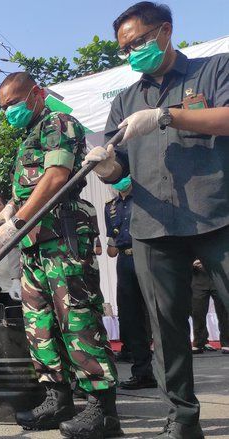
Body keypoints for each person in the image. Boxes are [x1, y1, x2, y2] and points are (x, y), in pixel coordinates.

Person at [85, 3, 229, 436]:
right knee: (165, 328)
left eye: (138, 42)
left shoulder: (214, 69)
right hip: (151, 227)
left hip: (217, 216)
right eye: (125, 49)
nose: (132, 54)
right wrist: (105, 167)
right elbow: (120, 172)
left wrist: (166, 116)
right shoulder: (127, 101)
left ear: (166, 31)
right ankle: (182, 419)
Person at [0, 72, 120, 438]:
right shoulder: (28, 137)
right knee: (41, 326)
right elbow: (32, 184)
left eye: (15, 103)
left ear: (36, 94)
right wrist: (13, 208)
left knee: (77, 320)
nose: (9, 111)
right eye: (4, 107)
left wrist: (17, 218)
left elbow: (56, 176)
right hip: (34, 244)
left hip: (62, 238)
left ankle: (102, 408)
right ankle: (57, 398)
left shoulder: (58, 123)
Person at [105, 176, 155, 390]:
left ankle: (169, 374)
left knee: (157, 314)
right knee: (131, 318)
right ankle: (142, 373)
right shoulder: (111, 207)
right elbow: (111, 246)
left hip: (148, 257)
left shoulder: (145, 199)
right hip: (124, 261)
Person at [191, 259, 229, 355]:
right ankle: (200, 342)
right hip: (197, 277)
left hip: (219, 275)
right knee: (197, 311)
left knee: (223, 311)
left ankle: (226, 342)